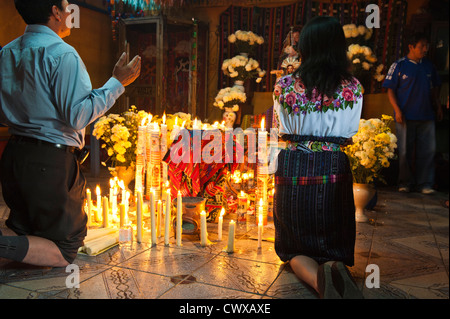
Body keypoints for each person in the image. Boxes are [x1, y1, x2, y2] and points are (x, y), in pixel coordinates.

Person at [0, 0, 141, 267]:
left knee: (25, 228)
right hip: (49, 162)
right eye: (66, 8)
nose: (68, 14)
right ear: (55, 12)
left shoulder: (6, 52)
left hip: (14, 154)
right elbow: (77, 116)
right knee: (65, 248)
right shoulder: (62, 54)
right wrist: (116, 83)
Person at [272, 16, 363, 299]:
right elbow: (350, 131)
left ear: (305, 47)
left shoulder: (284, 86)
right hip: (333, 164)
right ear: (339, 47)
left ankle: (319, 283)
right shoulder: (353, 87)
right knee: (332, 242)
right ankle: (334, 266)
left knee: (294, 248)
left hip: (294, 165)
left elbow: (280, 130)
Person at [383, 33, 442, 194]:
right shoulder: (399, 65)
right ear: (411, 47)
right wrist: (397, 110)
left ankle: (425, 184)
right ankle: (405, 183)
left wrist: (437, 106)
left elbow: (435, 87)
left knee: (428, 151)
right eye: (422, 46)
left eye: (427, 46)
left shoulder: (429, 66)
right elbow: (390, 90)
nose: (425, 49)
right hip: (405, 115)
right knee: (404, 151)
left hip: (426, 115)